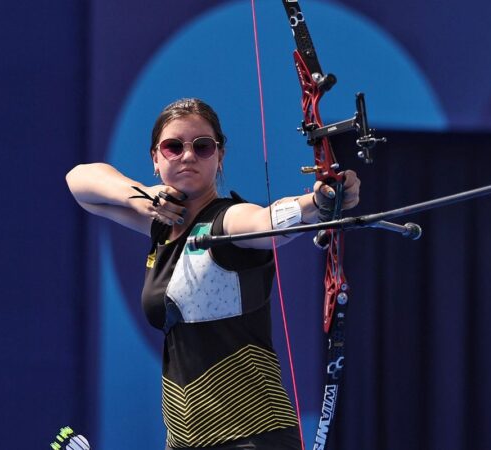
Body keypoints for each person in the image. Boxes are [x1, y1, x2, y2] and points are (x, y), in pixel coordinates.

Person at [66, 98, 360, 450]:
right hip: (187, 439)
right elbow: (80, 183)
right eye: (173, 147)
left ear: (219, 157)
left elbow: (266, 222)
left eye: (202, 147)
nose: (188, 155)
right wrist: (139, 197)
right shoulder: (161, 227)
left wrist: (316, 203)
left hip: (253, 435)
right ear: (155, 159)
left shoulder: (228, 220)